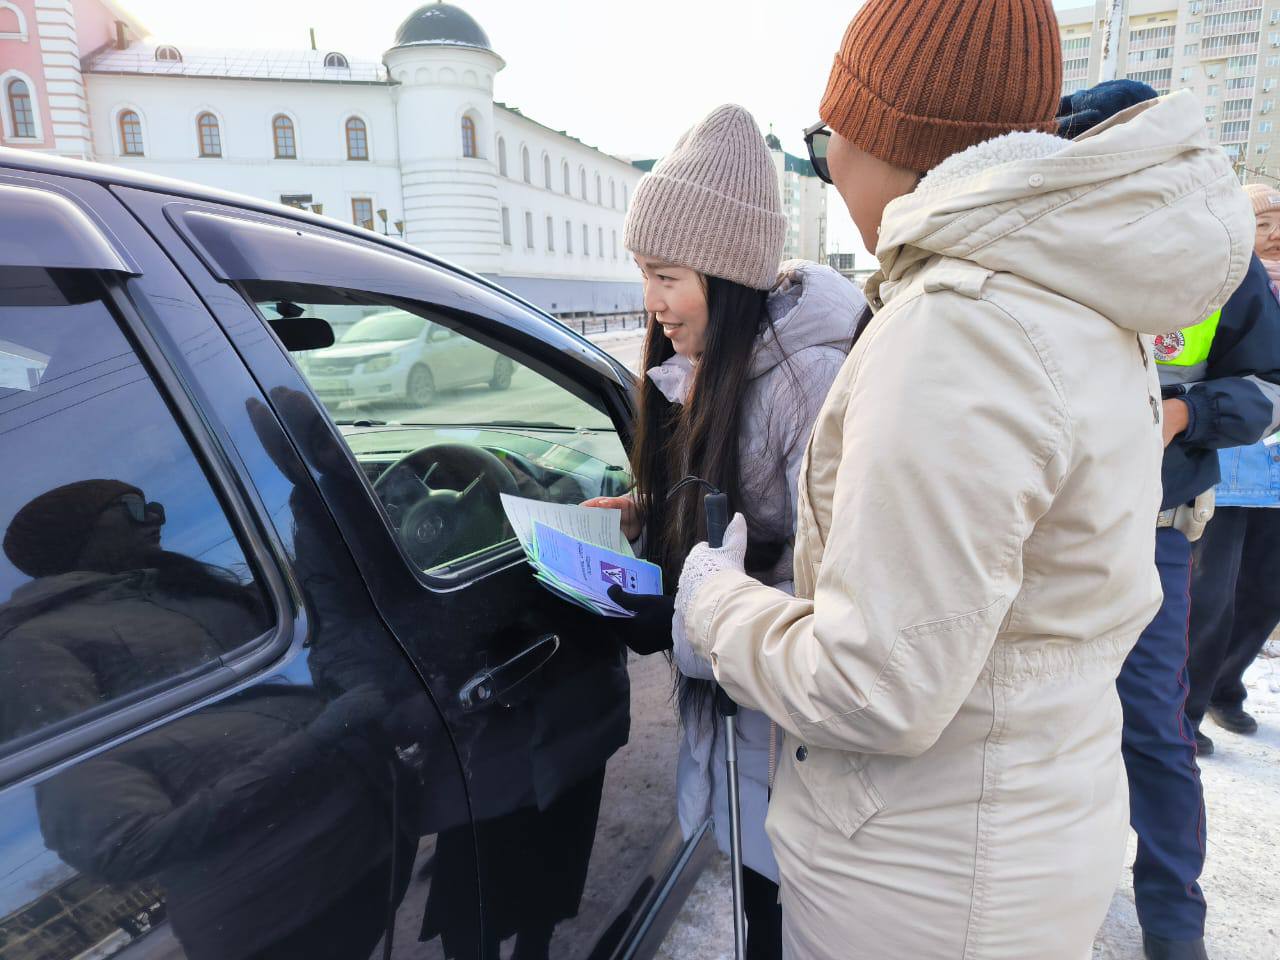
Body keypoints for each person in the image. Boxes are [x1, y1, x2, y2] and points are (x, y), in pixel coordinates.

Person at [667, 2, 1254, 958]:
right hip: (1020, 830)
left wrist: (716, 606)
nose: (829, 165)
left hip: (925, 885)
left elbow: (875, 684)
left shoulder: (961, 329)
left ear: (886, 140)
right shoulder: (1070, 292)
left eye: (826, 141)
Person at [583, 103, 861, 959]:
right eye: (643, 273)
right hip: (746, 717)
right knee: (757, 900)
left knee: (787, 915)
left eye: (667, 275)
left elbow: (839, 582)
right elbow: (728, 508)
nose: (651, 302)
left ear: (728, 273)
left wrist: (707, 602)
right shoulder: (700, 367)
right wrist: (648, 517)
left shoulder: (807, 380)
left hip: (792, 734)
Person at [1186, 183, 1280, 751]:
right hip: (1225, 465)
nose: (1275, 226)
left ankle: (1226, 686)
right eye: (1263, 217)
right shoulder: (1219, 277)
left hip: (1275, 473)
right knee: (1208, 594)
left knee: (1267, 590)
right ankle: (1185, 711)